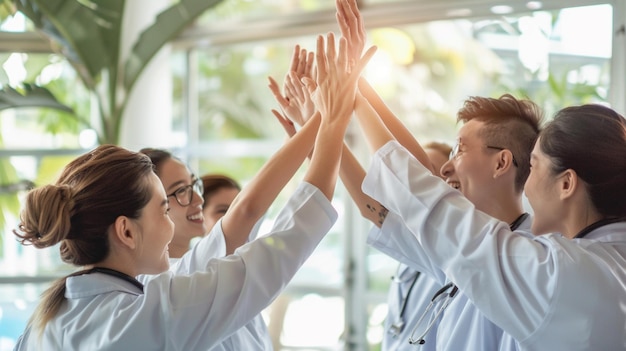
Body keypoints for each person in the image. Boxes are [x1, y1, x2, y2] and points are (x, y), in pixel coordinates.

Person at [12, 32, 377, 350]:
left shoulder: (50, 318)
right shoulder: (150, 315)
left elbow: (241, 219)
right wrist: (333, 118)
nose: (179, 215)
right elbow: (284, 244)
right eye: (163, 208)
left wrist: (318, 122)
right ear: (126, 230)